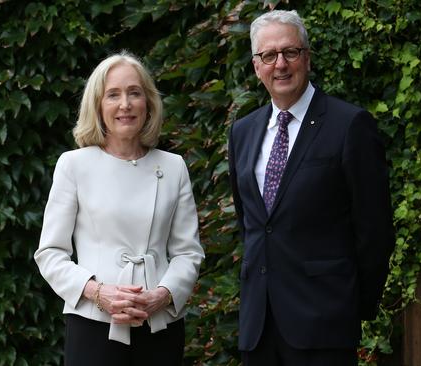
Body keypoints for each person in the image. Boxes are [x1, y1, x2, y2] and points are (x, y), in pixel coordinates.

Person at [228, 9, 395, 366]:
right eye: (269, 56)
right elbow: (252, 223)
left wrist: (350, 305)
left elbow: (375, 230)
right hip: (259, 327)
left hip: (324, 324)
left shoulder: (350, 125)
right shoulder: (242, 132)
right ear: (257, 66)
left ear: (307, 57)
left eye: (290, 52)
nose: (281, 65)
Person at [34, 51, 204, 366]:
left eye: (134, 93)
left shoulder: (173, 167)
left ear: (148, 103)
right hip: (94, 325)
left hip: (159, 325)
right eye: (113, 95)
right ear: (98, 105)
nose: (125, 104)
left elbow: (188, 252)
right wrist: (98, 293)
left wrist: (162, 294)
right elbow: (50, 254)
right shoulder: (74, 165)